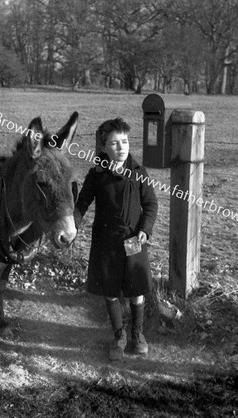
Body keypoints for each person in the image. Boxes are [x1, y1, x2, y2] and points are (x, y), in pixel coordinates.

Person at [74, 117, 158, 361]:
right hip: (106, 242)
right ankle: (119, 335)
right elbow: (82, 203)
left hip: (133, 240)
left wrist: (145, 229)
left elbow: (151, 205)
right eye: (114, 143)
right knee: (110, 289)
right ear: (104, 148)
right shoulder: (97, 174)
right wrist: (74, 224)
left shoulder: (139, 173)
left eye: (125, 141)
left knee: (136, 288)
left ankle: (137, 333)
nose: (121, 147)